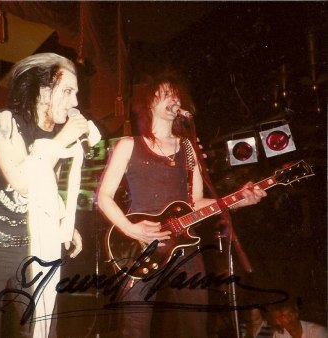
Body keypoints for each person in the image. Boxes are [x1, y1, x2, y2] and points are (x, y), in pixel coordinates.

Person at [96, 71, 267, 337]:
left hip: (185, 247)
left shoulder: (188, 148)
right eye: (165, 94)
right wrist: (131, 229)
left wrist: (239, 201)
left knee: (195, 325)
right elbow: (103, 197)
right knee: (135, 327)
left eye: (176, 95)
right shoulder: (129, 145)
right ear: (149, 102)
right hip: (140, 245)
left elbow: (196, 201)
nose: (173, 99)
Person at [0, 53, 100, 338]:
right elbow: (23, 181)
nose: (75, 101)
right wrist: (62, 141)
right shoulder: (6, 120)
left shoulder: (59, 133)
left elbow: (48, 187)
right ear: (42, 90)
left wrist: (63, 220)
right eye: (67, 91)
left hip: (35, 245)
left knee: (40, 332)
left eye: (76, 93)